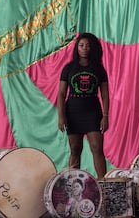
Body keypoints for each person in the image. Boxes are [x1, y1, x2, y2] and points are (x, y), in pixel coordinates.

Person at [57, 32, 110, 179]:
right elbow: (61, 94)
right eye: (81, 45)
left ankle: (104, 184)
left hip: (93, 112)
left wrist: (105, 117)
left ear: (92, 48)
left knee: (97, 148)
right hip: (73, 111)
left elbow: (105, 95)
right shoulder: (68, 68)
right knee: (75, 149)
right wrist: (61, 117)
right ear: (77, 48)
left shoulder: (99, 69)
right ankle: (72, 183)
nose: (84, 48)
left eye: (88, 45)